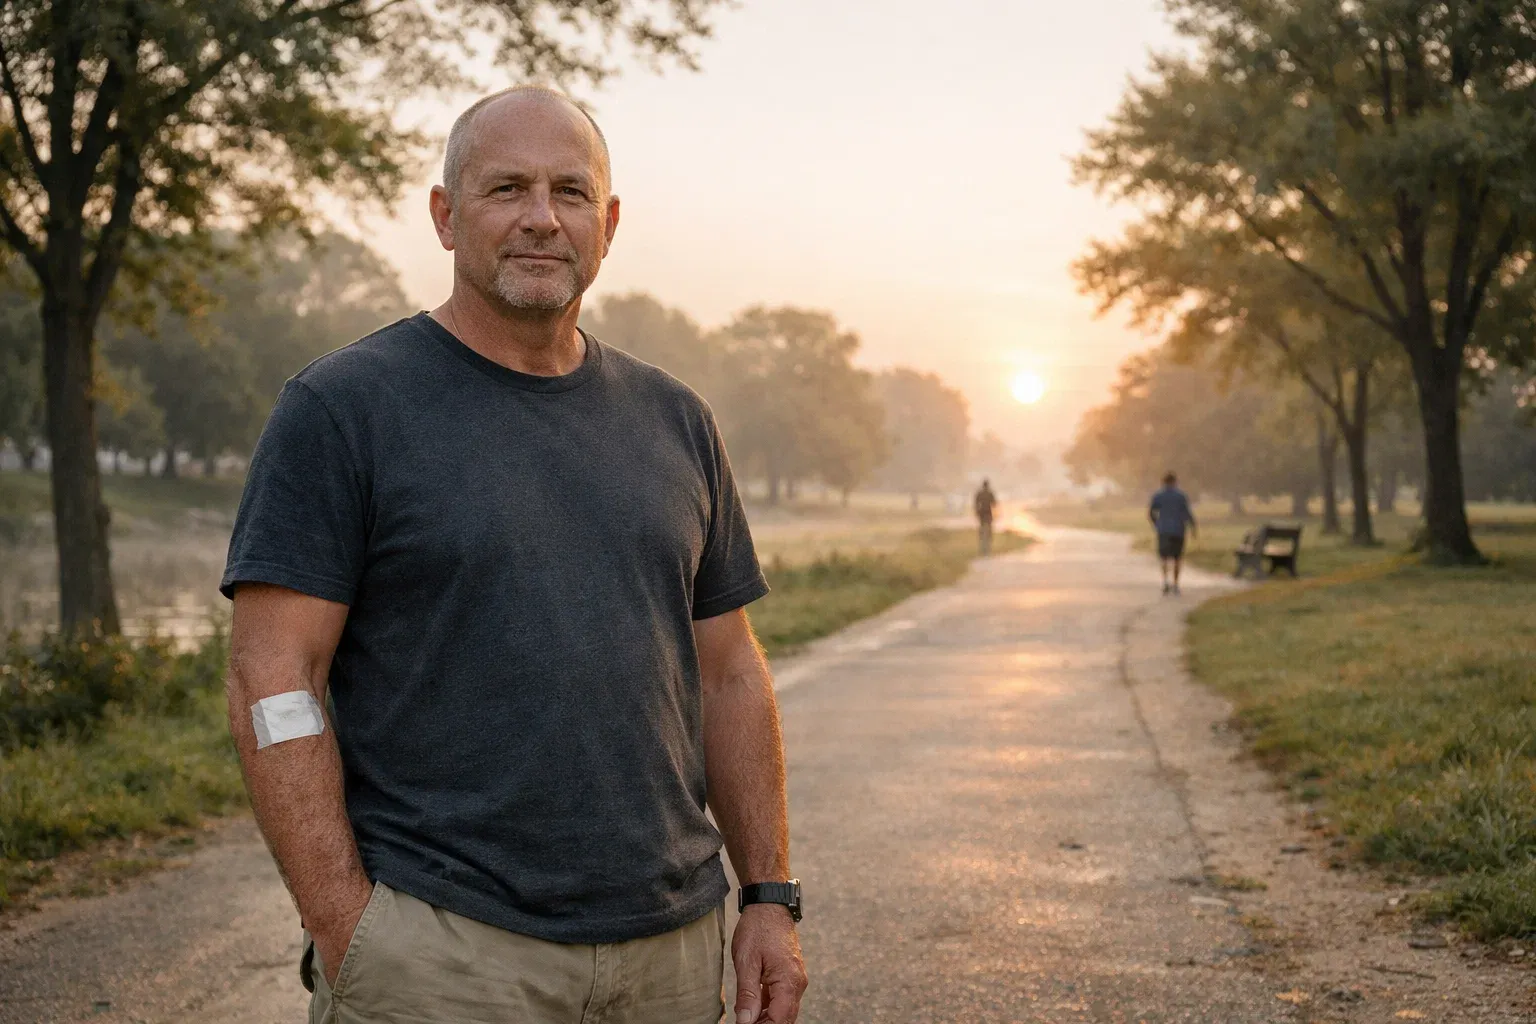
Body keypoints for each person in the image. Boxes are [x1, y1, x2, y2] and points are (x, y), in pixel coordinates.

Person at [221, 86, 807, 1024]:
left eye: (570, 192)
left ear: (607, 224)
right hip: (445, 955)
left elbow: (732, 673)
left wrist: (769, 898)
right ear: (446, 217)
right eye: (506, 189)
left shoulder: (676, 421)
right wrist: (346, 928)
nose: (542, 218)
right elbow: (272, 675)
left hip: (670, 954)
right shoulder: (343, 410)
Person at [1149, 472, 1197, 595]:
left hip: (1163, 530)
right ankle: (1176, 584)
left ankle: (1165, 582)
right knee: (1177, 558)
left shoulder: (1158, 495)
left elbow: (1151, 512)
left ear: (1163, 482)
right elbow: (1187, 513)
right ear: (1175, 482)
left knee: (1164, 558)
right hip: (1178, 530)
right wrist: (1193, 527)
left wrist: (1156, 524)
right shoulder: (1181, 496)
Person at [973, 478, 999, 554]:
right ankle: (988, 548)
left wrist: (977, 512)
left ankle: (982, 548)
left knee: (981, 531)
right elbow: (994, 504)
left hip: (981, 514)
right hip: (988, 514)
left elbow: (976, 504)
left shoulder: (979, 493)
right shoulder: (990, 493)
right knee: (988, 531)